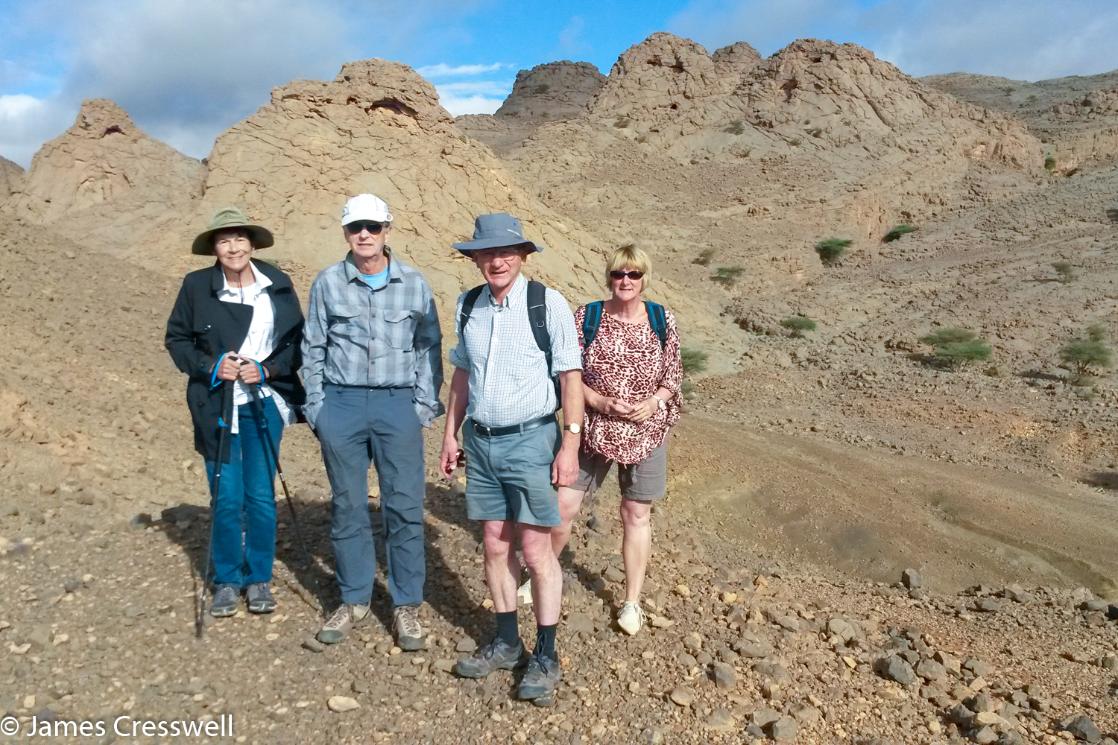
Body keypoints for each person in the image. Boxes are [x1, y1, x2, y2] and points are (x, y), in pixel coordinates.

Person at [439, 212, 584, 705]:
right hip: (480, 441)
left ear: (521, 255)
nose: (496, 260)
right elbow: (462, 375)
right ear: (474, 258)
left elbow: (570, 378)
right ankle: (506, 641)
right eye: (486, 252)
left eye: (505, 252)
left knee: (538, 551)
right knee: (494, 543)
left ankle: (546, 653)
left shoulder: (547, 304)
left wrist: (569, 444)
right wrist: (449, 434)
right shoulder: (468, 305)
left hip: (531, 439)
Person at [301, 193, 444, 649]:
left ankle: (406, 605)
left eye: (373, 227)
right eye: (355, 227)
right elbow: (313, 346)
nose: (364, 234)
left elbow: (429, 346)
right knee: (347, 506)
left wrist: (422, 405)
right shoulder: (327, 283)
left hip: (396, 404)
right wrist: (317, 408)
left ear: (387, 230)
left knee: (403, 506)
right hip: (340, 404)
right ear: (345, 232)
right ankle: (354, 597)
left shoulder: (415, 284)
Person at [165, 207, 306, 617]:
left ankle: (258, 577)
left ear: (252, 243)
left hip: (265, 401)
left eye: (239, 238)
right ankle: (227, 579)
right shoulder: (196, 287)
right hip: (218, 406)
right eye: (224, 240)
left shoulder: (276, 283)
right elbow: (177, 340)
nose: (233, 247)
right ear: (214, 247)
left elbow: (296, 342)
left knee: (260, 497)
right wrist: (212, 367)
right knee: (227, 498)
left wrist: (268, 369)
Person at [556, 244, 682, 635]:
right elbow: (569, 372)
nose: (625, 281)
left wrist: (652, 402)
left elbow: (673, 376)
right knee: (563, 504)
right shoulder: (588, 316)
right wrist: (599, 401)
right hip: (592, 426)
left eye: (633, 274)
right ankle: (539, 575)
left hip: (646, 431)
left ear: (644, 278)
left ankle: (632, 601)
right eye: (618, 274)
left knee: (636, 514)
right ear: (608, 277)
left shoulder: (662, 319)